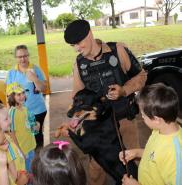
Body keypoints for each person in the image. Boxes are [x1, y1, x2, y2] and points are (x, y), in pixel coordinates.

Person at [64, 19, 147, 185]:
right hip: (98, 128)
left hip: (125, 120)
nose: (76, 49)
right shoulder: (79, 64)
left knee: (132, 167)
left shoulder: (118, 50)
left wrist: (124, 90)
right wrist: (76, 119)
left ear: (89, 34)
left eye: (78, 43)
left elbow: (141, 76)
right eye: (73, 45)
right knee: (95, 171)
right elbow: (77, 97)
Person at [120, 83, 182, 185]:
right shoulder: (159, 130)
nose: (142, 117)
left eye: (143, 115)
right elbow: (155, 154)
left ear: (157, 119)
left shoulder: (175, 156)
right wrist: (137, 152)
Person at [6, 44, 47, 148]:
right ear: (16, 58)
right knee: (23, 136)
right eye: (20, 57)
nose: (23, 59)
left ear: (28, 55)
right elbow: (9, 94)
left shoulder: (35, 69)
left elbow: (43, 88)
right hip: (19, 113)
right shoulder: (12, 73)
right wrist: (8, 111)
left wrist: (35, 79)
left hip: (37, 110)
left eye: (25, 56)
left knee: (36, 136)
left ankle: (38, 158)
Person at [0, 103, 30, 184]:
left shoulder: (6, 135)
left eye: (9, 117)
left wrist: (21, 153)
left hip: (22, 172)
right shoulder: (0, 145)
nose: (10, 121)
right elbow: (9, 175)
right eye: (6, 119)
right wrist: (18, 182)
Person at [7, 82, 38, 174]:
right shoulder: (12, 113)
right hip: (23, 150)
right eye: (18, 94)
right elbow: (12, 134)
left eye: (23, 93)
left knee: (32, 170)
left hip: (31, 145)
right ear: (12, 97)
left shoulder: (24, 108)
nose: (22, 96)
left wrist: (36, 126)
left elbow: (28, 125)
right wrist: (20, 152)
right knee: (28, 174)